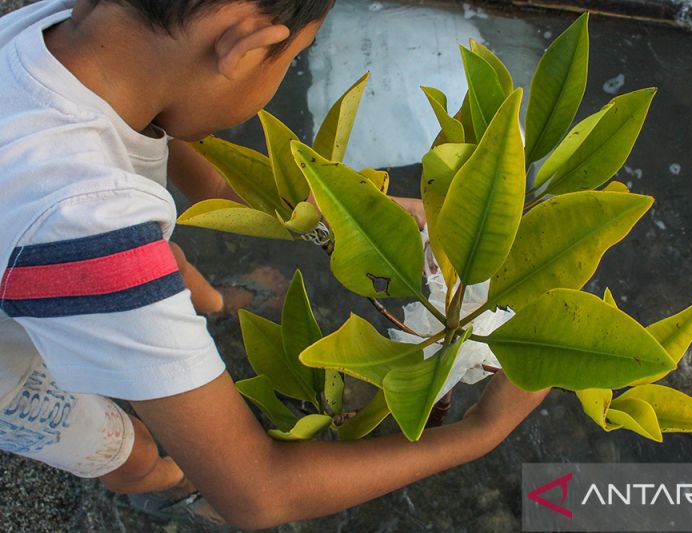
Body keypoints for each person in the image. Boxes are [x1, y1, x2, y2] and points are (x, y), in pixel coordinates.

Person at [0, 0, 550, 529]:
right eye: (292, 59)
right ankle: (163, 489)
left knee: (162, 262)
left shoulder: (66, 30)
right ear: (247, 42)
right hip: (8, 372)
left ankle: (216, 304)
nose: (287, 73)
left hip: (40, 254)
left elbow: (210, 177)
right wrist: (483, 430)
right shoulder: (88, 226)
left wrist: (357, 217)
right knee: (126, 446)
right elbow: (259, 492)